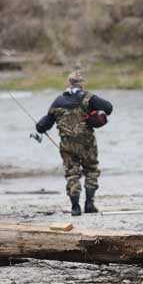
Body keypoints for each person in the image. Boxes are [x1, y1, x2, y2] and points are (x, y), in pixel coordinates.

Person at [36, 71, 113, 216]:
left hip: (67, 145)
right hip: (87, 143)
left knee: (72, 174)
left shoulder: (58, 101)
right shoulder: (88, 98)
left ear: (68, 83)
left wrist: (39, 126)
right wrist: (95, 115)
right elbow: (108, 108)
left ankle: (75, 207)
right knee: (91, 170)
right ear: (82, 83)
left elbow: (43, 125)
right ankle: (89, 204)